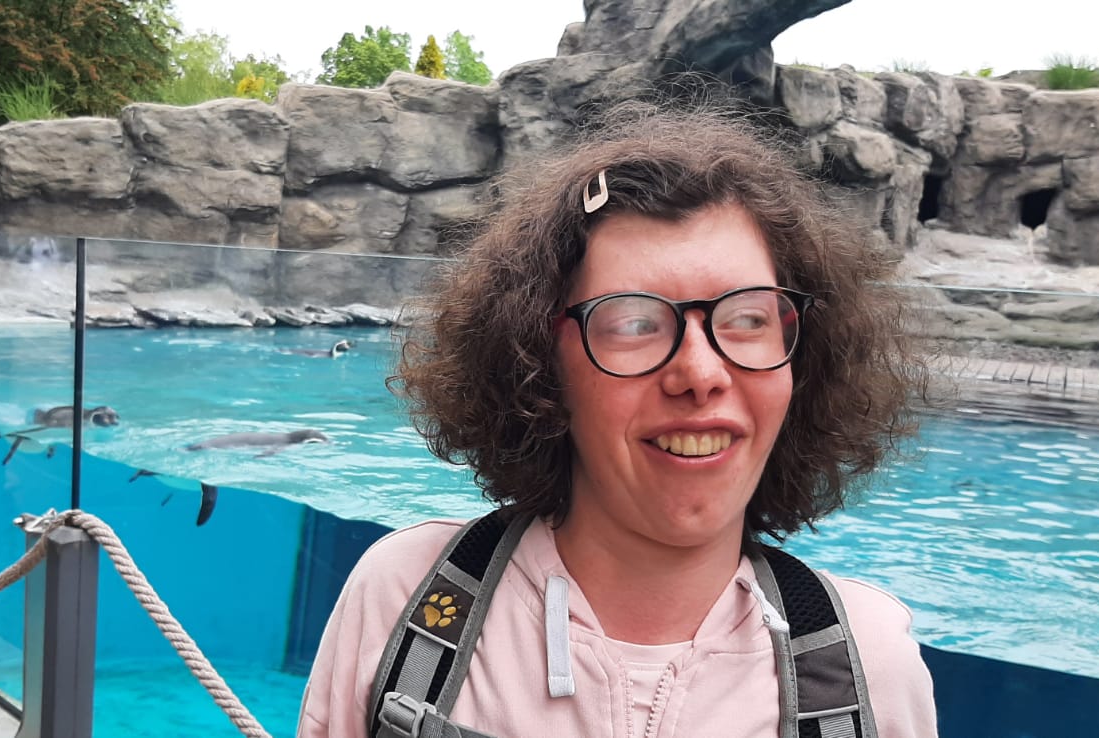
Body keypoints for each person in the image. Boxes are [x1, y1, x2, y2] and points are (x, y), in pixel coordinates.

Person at [297, 101, 937, 737]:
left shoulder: (869, 665)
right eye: (633, 322)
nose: (701, 372)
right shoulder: (403, 598)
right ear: (538, 364)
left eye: (748, 318)